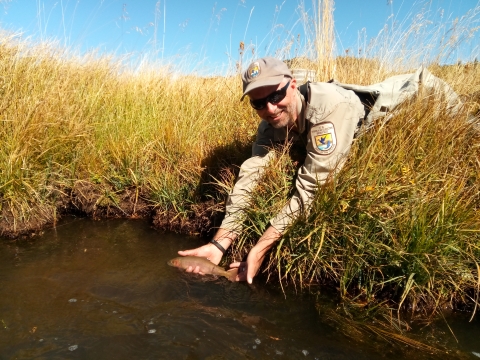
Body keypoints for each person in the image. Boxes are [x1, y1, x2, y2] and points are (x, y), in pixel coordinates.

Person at [178, 57, 462, 283]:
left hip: (426, 97)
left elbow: (310, 190)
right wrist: (219, 244)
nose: (270, 108)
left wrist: (260, 247)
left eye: (275, 95)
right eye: (258, 103)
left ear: (292, 84)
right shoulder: (269, 124)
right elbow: (251, 175)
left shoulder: (329, 110)